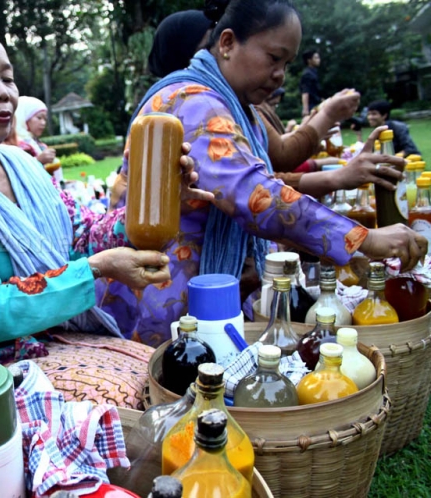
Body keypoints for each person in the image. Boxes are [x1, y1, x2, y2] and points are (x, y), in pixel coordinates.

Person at [0, 23, 213, 408]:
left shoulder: (22, 167)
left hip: (49, 338)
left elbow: (80, 236)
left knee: (167, 374)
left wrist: (164, 202)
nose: (3, 92)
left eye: (8, 78)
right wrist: (94, 269)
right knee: (122, 401)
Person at [97, 0, 425, 346]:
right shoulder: (194, 102)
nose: (280, 74)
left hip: (193, 291)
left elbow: (258, 182)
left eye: (287, 63)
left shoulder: (234, 106)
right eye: (273, 58)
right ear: (226, 43)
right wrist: (365, 239)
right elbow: (257, 196)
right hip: (164, 298)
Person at [14, 95, 62, 180]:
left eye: (45, 119)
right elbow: (17, 173)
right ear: (24, 117)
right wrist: (39, 160)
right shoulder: (14, 144)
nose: (43, 123)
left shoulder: (38, 145)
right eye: (39, 117)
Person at [300, 48, 322, 117]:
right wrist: (305, 109)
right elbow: (305, 92)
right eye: (316, 58)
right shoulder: (307, 74)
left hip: (317, 104)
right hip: (311, 106)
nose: (319, 60)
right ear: (309, 60)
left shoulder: (314, 73)